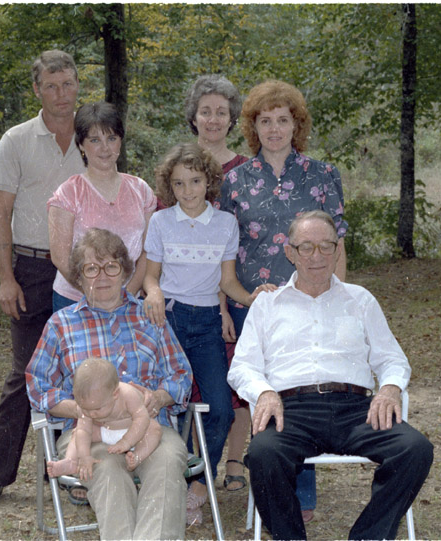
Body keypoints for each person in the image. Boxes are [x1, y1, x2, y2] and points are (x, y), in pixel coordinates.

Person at [228, 210, 433, 540]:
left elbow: (393, 359)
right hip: (290, 411)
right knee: (264, 454)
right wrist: (264, 392)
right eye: (306, 247)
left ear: (338, 250)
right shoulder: (267, 305)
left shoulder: (360, 299)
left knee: (414, 448)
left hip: (355, 410)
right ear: (290, 252)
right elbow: (242, 367)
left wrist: (391, 388)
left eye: (326, 246)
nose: (317, 256)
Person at [218, 78, 352, 521]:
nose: (274, 128)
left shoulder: (322, 175)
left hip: (310, 301)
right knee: (264, 393)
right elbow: (223, 252)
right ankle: (273, 491)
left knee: (303, 388)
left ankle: (301, 497)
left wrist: (338, 299)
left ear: (297, 124)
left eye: (283, 119)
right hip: (253, 305)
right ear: (253, 126)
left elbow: (336, 245)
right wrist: (226, 305)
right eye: (265, 120)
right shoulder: (233, 181)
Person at [26, 228, 192, 539]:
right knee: (108, 470)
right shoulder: (61, 324)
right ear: (79, 276)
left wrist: (157, 398)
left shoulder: (149, 317)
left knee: (168, 462)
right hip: (89, 435)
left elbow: (181, 375)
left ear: (125, 271)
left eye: (111, 266)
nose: (102, 276)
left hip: (150, 429)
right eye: (91, 268)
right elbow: (36, 386)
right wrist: (82, 410)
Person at [143, 142, 275, 525]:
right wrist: (152, 291)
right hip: (165, 322)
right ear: (170, 186)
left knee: (219, 409)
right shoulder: (161, 222)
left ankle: (198, 483)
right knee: (164, 406)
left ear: (209, 181)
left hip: (204, 325)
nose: (187, 191)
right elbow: (152, 275)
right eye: (179, 183)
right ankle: (160, 484)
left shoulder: (224, 224)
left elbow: (228, 282)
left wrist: (252, 299)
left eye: (195, 181)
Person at [0, 50, 84, 509]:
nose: (61, 95)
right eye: (51, 86)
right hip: (31, 267)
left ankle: (67, 470)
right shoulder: (16, 140)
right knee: (26, 372)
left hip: (83, 270)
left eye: (68, 84)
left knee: (80, 372)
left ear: (79, 86)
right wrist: (6, 278)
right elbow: (0, 211)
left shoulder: (93, 136)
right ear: (37, 90)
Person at [184, 74, 251, 493]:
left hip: (238, 286)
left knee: (239, 376)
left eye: (221, 112)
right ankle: (196, 467)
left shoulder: (246, 170)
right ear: (193, 117)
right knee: (195, 383)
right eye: (205, 111)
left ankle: (236, 460)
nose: (212, 119)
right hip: (192, 296)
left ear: (232, 119)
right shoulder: (180, 166)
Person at [48, 101, 155, 312]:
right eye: (95, 140)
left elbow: (148, 252)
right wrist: (96, 294)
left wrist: (127, 294)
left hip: (129, 299)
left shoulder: (141, 190)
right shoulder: (68, 193)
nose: (105, 148)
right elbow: (60, 257)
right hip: (76, 299)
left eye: (112, 138)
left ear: (120, 141)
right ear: (80, 144)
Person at [46, 357, 162, 479]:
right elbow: (84, 431)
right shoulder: (88, 405)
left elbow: (141, 419)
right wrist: (85, 457)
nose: (91, 414)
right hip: (105, 432)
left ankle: (137, 457)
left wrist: (126, 442)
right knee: (78, 433)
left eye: (97, 409)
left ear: (115, 394)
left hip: (135, 433)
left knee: (154, 429)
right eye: (85, 409)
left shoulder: (128, 395)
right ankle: (70, 461)